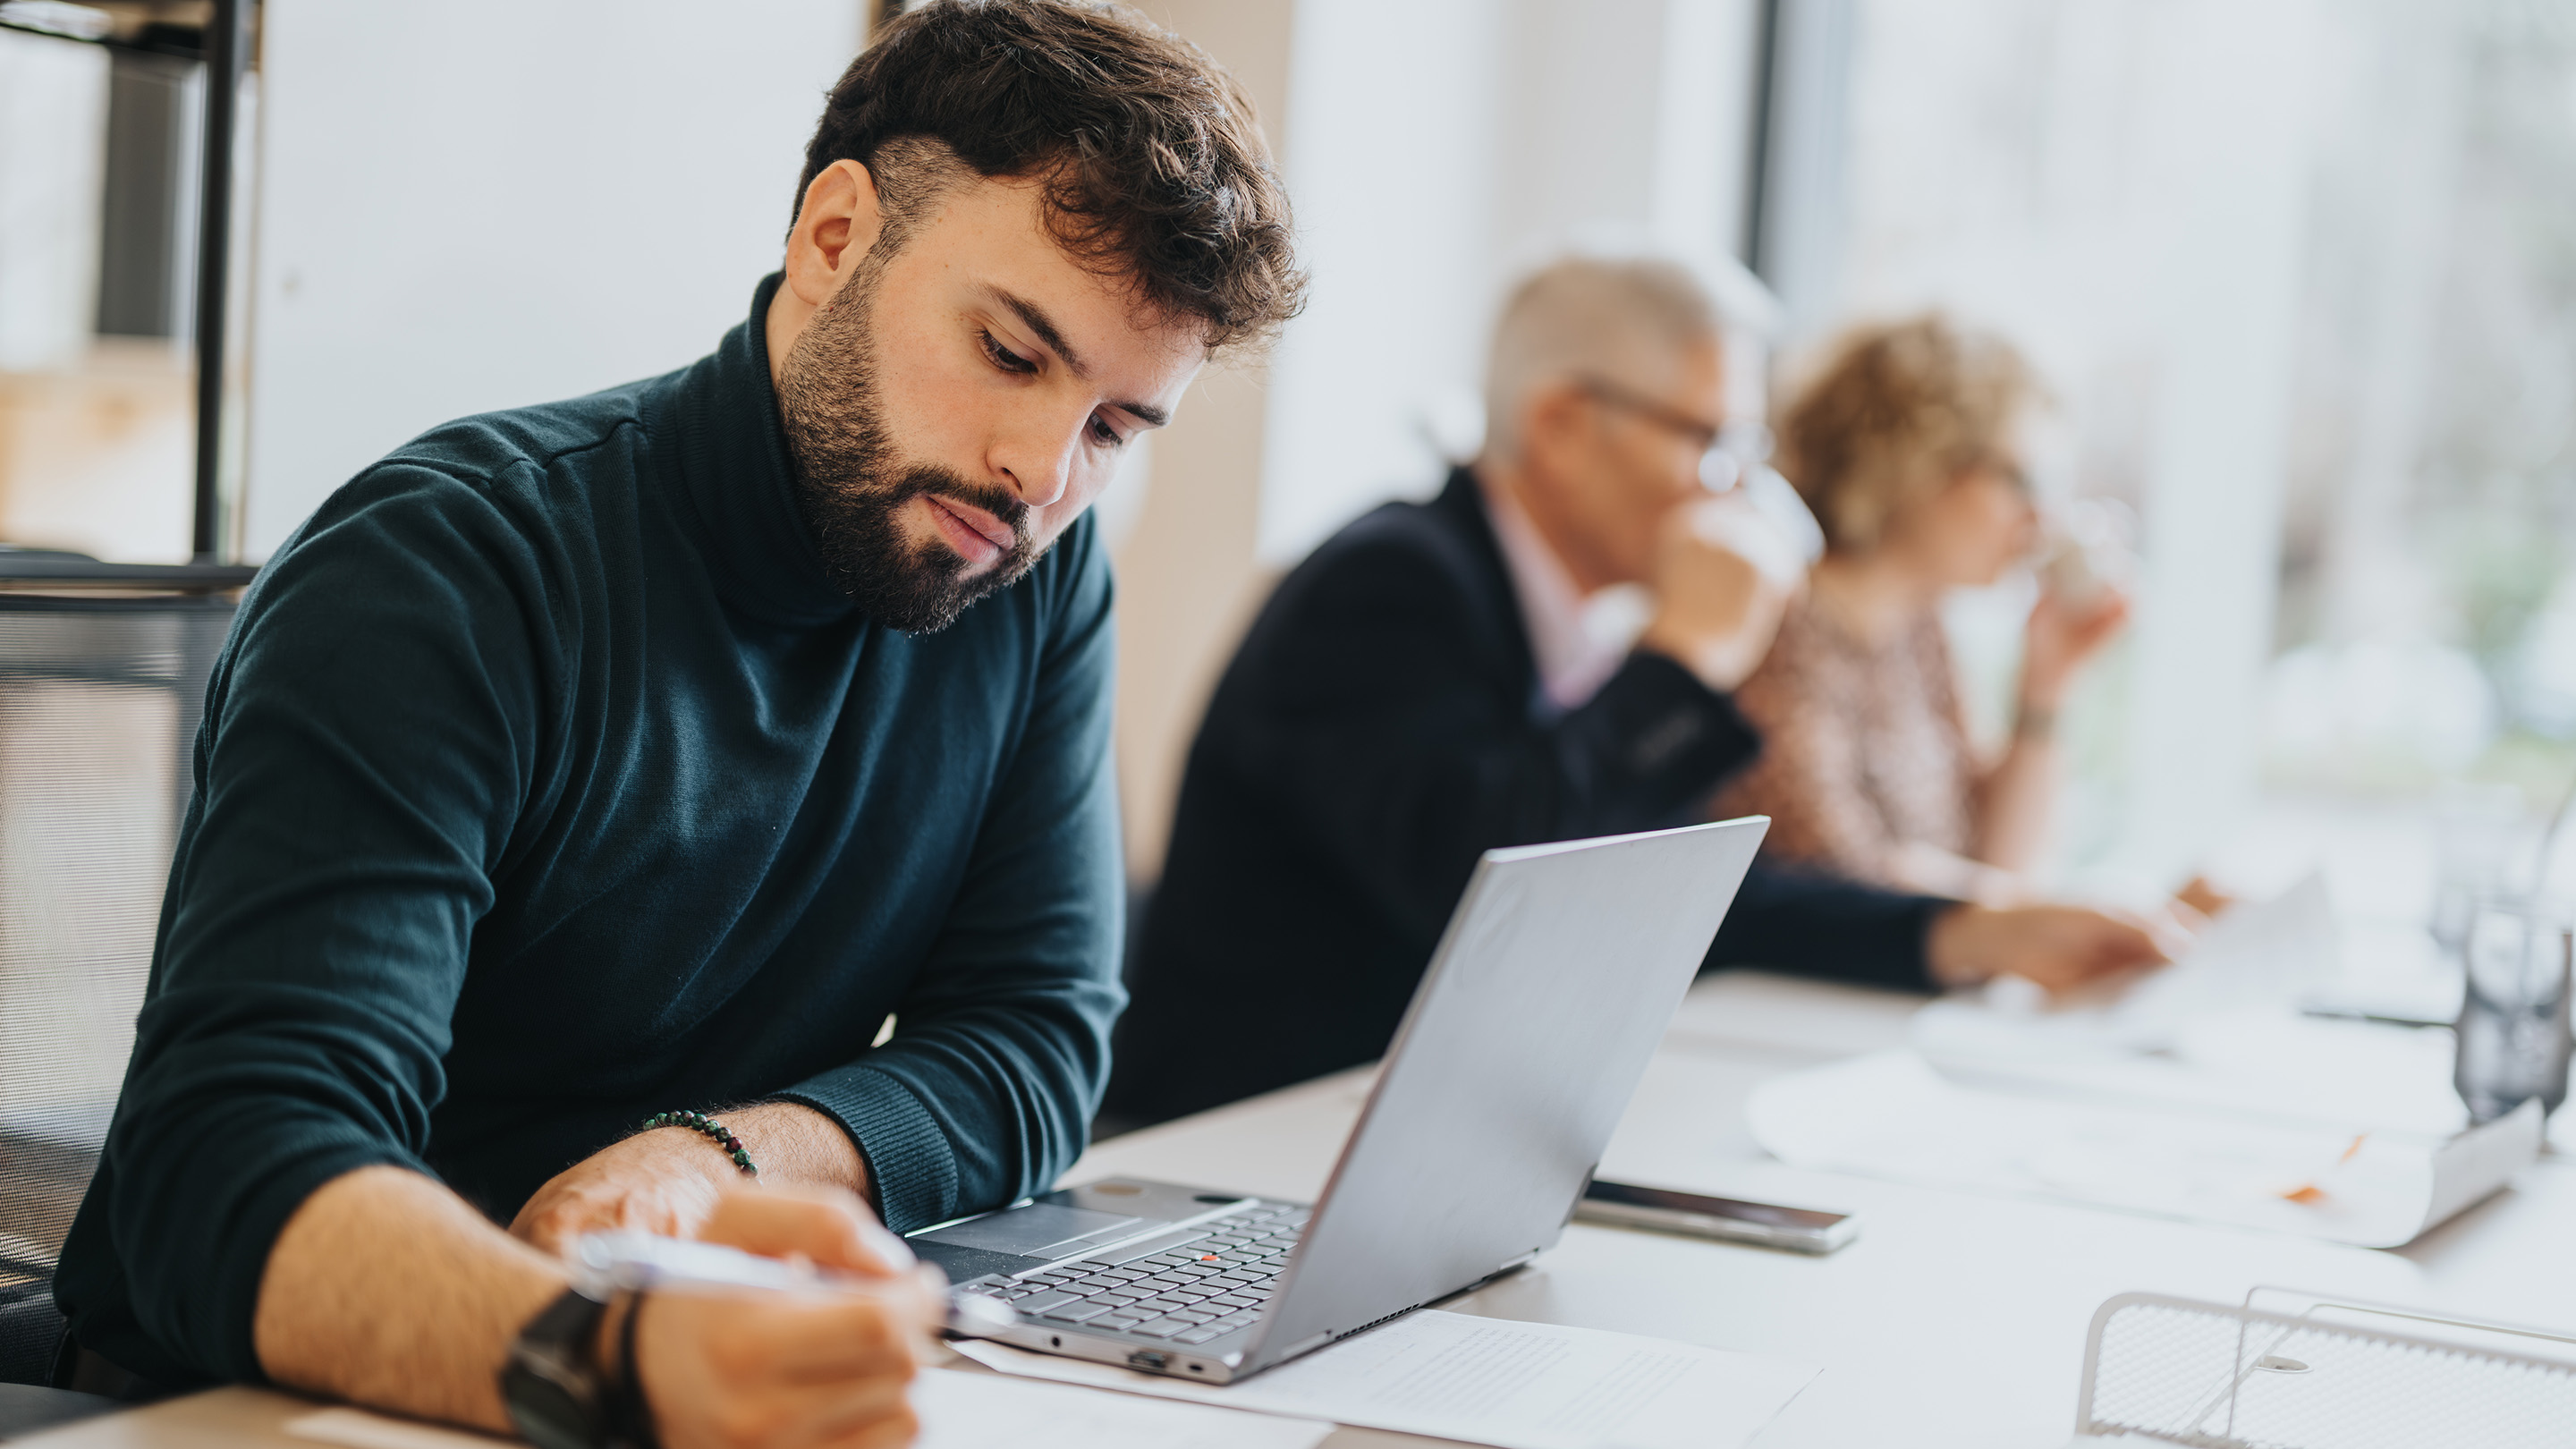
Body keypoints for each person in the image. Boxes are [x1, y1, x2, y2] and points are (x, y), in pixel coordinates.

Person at [51, 4, 1301, 1446]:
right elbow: (229, 1173)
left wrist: (709, 1166)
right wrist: (613, 1364)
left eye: (1115, 429)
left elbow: (1032, 1045)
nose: (1041, 473)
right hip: (262, 1402)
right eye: (1011, 353)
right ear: (836, 239)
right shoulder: (448, 571)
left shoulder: (1026, 571)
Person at [1108, 256, 2175, 1130]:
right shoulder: (1392, 582)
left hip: (1400, 1133)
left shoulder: (1554, 608)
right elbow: (1496, 881)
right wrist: (1684, 660)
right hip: (1247, 1140)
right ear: (1567, 423)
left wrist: (1965, 928)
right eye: (1712, 441)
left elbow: (1681, 890)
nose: (1739, 488)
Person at [1712, 316, 2125, 904]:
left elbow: (2005, 863)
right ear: (1920, 462)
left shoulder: (1918, 629)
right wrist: (2086, 914)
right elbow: (1848, 879)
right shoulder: (1773, 624)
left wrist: (2049, 684)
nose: (2042, 519)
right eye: (2023, 481)